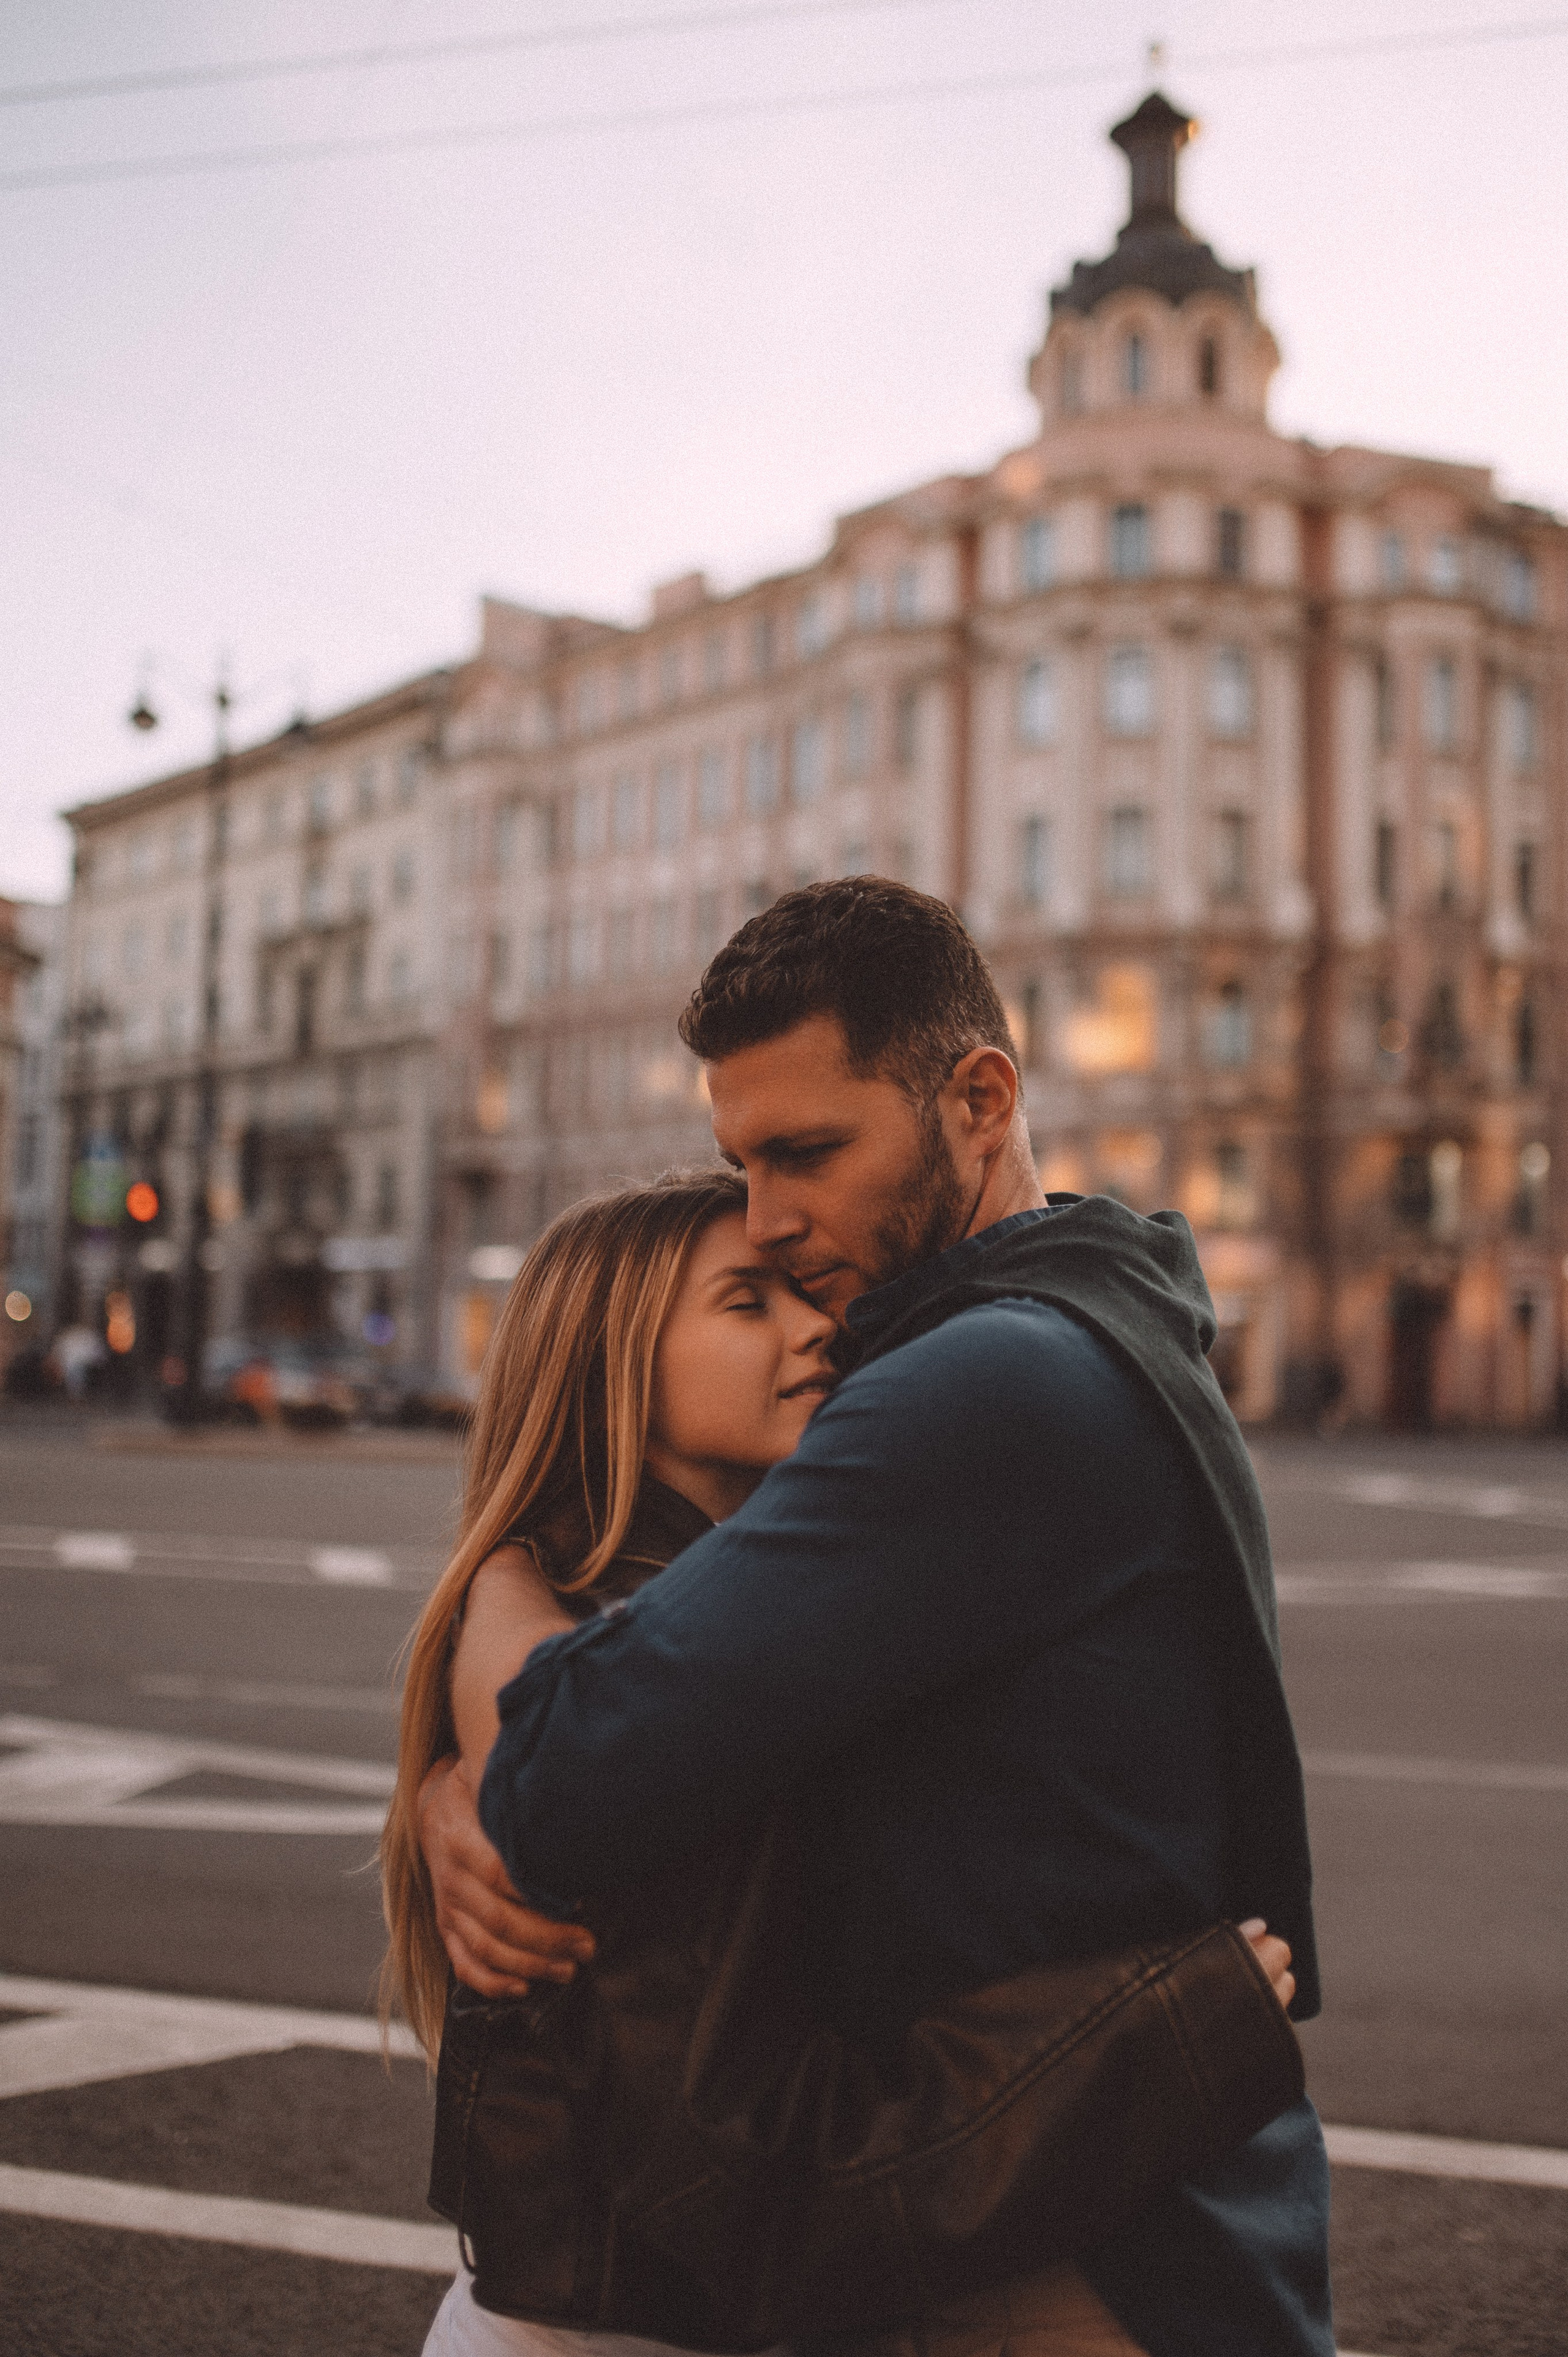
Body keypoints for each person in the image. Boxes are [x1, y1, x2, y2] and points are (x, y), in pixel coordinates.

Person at [421, 879, 1335, 2356]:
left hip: (1075, 2270)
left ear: (979, 1098)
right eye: (741, 1161)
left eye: (808, 1153)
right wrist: (455, 1781)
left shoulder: (985, 1386)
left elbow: (565, 1776)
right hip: (1075, 2211)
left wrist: (497, 1600)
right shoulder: (1082, 1324)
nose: (771, 1221)